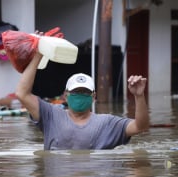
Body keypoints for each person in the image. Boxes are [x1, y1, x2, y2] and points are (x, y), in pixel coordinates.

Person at [15, 52, 149, 150]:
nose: (80, 95)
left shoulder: (107, 123)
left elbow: (140, 126)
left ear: (94, 97)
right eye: (76, 92)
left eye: (84, 92)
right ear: (66, 96)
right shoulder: (51, 115)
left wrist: (139, 95)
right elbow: (22, 94)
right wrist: (37, 56)